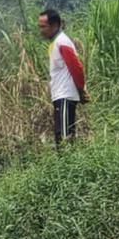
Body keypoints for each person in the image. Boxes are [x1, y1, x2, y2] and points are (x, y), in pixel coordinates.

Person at [38, 8, 86, 145]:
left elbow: (76, 67)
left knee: (65, 139)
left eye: (43, 26)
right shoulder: (55, 43)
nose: (41, 30)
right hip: (60, 96)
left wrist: (81, 90)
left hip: (65, 95)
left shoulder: (62, 42)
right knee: (62, 137)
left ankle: (69, 166)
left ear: (54, 25)